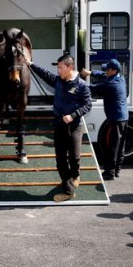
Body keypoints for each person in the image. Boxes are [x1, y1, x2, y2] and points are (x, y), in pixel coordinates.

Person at [28, 54, 92, 202]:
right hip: (59, 124)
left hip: (75, 125)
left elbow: (87, 105)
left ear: (69, 67)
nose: (58, 71)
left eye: (60, 68)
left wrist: (73, 115)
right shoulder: (58, 81)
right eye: (57, 68)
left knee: (74, 158)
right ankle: (68, 191)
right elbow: (45, 74)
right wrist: (31, 64)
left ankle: (75, 175)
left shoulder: (82, 85)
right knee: (61, 160)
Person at [81, 59, 128, 181]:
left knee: (113, 147)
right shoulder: (120, 77)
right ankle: (117, 170)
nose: (105, 71)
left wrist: (76, 80)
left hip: (116, 118)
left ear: (114, 70)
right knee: (120, 145)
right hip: (123, 117)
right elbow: (103, 75)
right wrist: (90, 72)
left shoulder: (111, 84)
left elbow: (92, 88)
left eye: (107, 69)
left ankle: (109, 173)